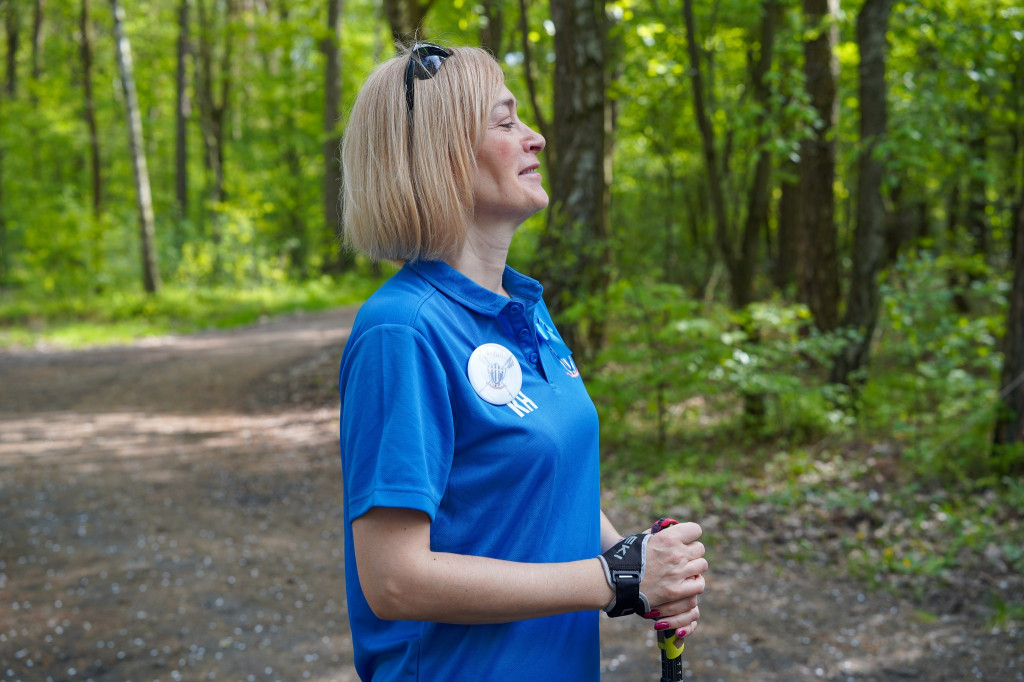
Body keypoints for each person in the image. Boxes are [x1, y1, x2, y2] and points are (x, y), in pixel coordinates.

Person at [337, 42, 708, 681]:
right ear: (440, 154)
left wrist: (636, 561)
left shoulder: (525, 308)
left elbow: (544, 477)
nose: (535, 137)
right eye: (504, 122)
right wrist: (610, 579)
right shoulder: (402, 330)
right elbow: (394, 581)